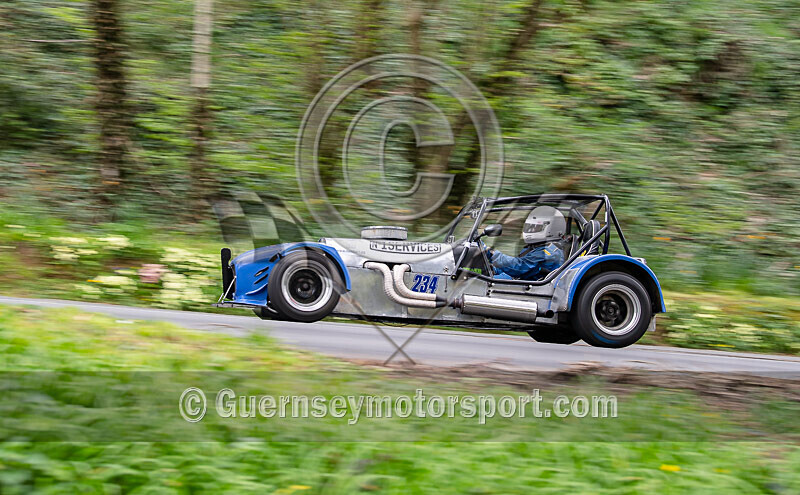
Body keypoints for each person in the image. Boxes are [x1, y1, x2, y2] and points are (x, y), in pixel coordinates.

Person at [485, 206, 566, 280]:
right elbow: (515, 269)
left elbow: (519, 268)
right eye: (530, 227)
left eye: (536, 227)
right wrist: (493, 269)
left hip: (532, 290)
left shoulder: (549, 252)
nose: (531, 230)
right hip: (522, 283)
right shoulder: (536, 247)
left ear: (552, 228)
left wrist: (491, 253)